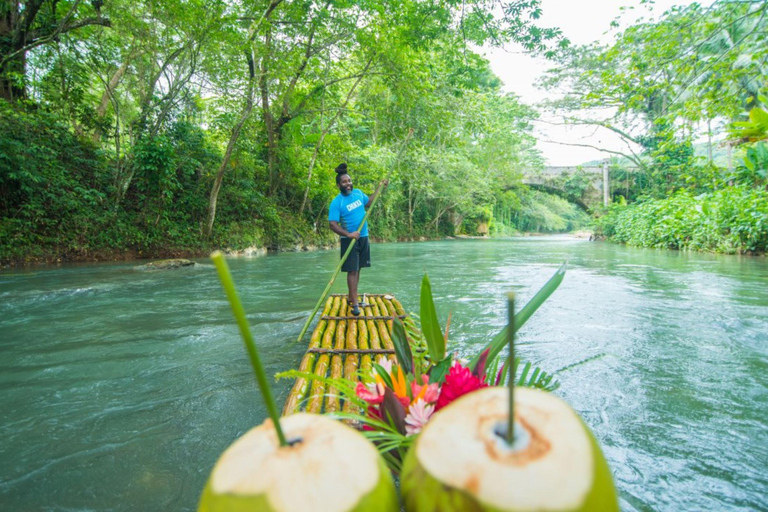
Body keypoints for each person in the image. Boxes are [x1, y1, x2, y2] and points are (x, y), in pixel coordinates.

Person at [328, 163, 387, 316]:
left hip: (363, 237)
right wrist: (348, 234)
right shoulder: (337, 202)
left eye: (349, 181)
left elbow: (369, 203)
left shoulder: (359, 194)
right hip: (349, 240)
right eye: (344, 182)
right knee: (352, 271)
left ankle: (351, 297)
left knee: (358, 268)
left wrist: (379, 188)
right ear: (338, 185)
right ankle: (354, 303)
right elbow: (332, 224)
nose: (348, 184)